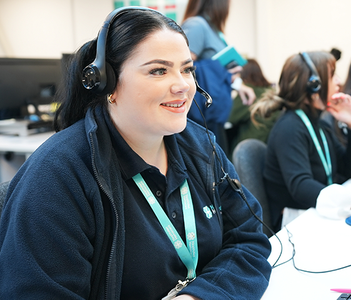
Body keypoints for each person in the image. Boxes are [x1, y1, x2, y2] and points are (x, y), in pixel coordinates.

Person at [0, 7, 271, 300]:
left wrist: (198, 296)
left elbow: (249, 241)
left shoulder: (201, 146)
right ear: (108, 84)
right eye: (158, 70)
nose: (182, 85)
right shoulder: (58, 175)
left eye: (187, 69)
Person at [251, 51, 351, 232]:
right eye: (332, 76)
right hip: (295, 222)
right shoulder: (289, 127)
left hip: (318, 210)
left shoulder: (320, 124)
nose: (339, 81)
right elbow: (301, 186)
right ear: (313, 86)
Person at [181, 0, 256, 154]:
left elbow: (214, 70)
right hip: (203, 116)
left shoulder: (213, 30)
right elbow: (182, 68)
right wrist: (218, 69)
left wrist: (237, 84)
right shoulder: (196, 25)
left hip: (214, 114)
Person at [227, 58, 280, 157]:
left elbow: (229, 117)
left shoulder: (249, 93)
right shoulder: (270, 92)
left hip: (246, 150)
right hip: (266, 148)